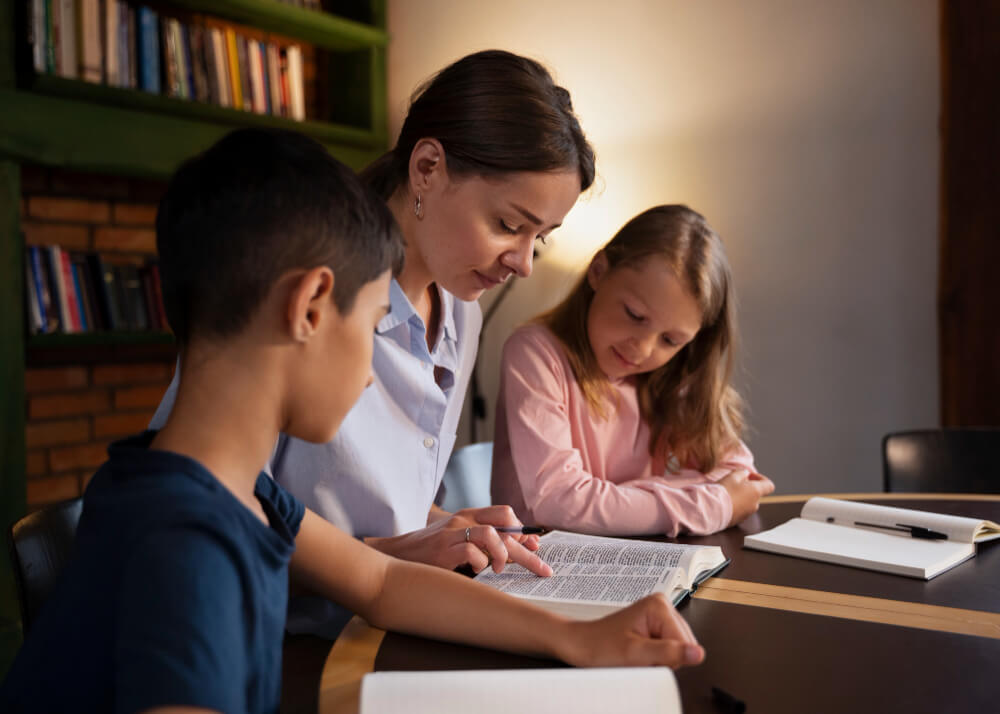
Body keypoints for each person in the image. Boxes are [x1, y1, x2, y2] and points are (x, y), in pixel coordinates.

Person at [0, 130, 703, 713]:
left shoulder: (228, 489)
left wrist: (575, 638)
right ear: (309, 307)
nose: (372, 371)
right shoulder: (189, 551)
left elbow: (379, 582)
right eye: (370, 326)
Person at [150, 50, 596, 635]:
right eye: (510, 225)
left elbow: (370, 501)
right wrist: (383, 556)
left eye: (541, 238)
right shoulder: (306, 292)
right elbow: (209, 486)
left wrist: (444, 526)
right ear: (428, 167)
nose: (523, 263)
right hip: (283, 634)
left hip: (387, 621)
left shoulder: (462, 312)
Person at [491, 205, 775, 536]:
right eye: (635, 315)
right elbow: (559, 502)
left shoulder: (671, 374)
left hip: (635, 560)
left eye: (670, 339)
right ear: (598, 271)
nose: (641, 349)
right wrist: (711, 504)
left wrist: (623, 504)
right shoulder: (535, 353)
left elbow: (743, 480)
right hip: (536, 565)